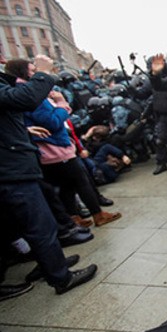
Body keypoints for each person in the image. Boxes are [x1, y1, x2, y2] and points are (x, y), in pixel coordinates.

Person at [0, 54, 97, 295]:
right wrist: (43, 71)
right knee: (40, 225)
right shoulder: (26, 88)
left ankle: (50, 265)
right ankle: (60, 277)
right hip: (12, 170)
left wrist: (24, 129)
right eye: (32, 71)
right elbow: (28, 99)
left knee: (41, 215)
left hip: (15, 165)